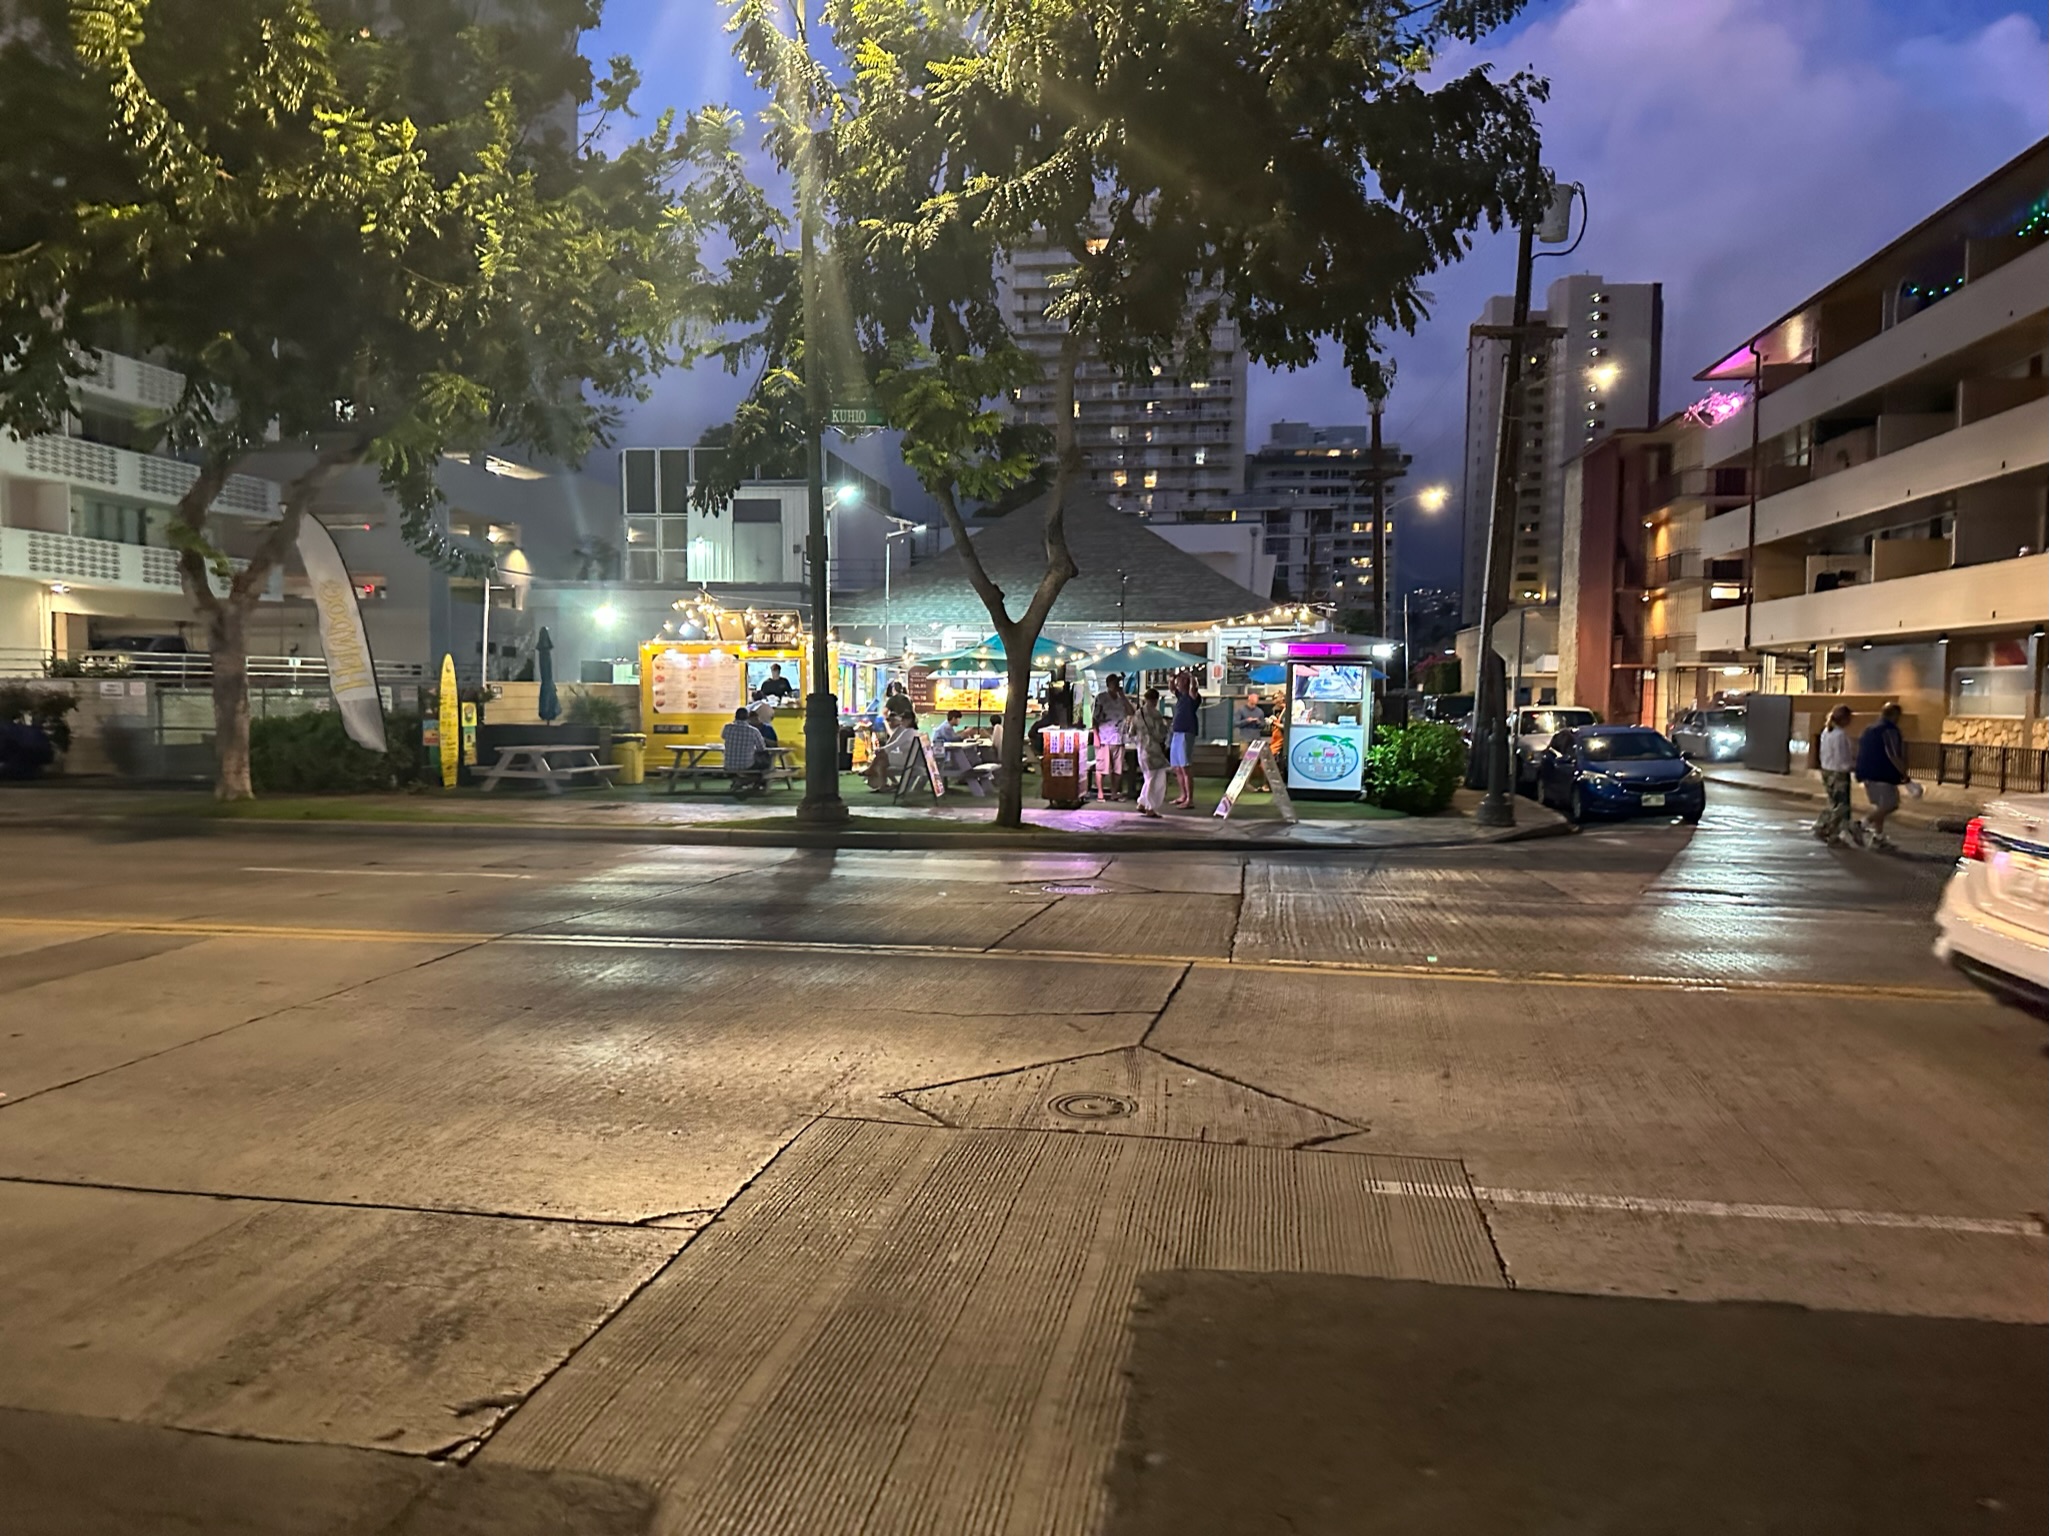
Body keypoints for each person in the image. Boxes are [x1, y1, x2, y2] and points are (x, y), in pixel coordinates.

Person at [1853, 700, 1912, 850]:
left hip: (1867, 773)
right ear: (1895, 715)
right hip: (1882, 774)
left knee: (1880, 807)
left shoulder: (1869, 729)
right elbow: (1893, 754)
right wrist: (1904, 774)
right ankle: (1861, 825)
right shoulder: (1889, 730)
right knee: (1890, 804)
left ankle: (1878, 837)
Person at [1812, 704, 1856, 846]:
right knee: (1842, 806)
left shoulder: (1826, 732)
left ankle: (1830, 829)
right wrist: (1851, 766)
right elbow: (1842, 756)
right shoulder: (1840, 735)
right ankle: (1828, 829)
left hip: (1827, 770)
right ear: (1844, 719)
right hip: (1839, 772)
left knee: (1833, 802)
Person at [1131, 686, 1172, 818]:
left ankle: (1142, 803)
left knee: (1149, 777)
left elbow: (1131, 732)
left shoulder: (1138, 713)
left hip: (1141, 749)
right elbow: (1161, 734)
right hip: (1154, 750)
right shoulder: (1156, 714)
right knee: (1156, 780)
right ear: (1155, 700)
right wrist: (1167, 726)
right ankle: (1150, 807)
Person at [1091, 672, 1131, 801]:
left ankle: (1114, 792)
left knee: (1118, 768)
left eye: (1118, 683)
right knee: (1102, 767)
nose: (1116, 686)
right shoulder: (1101, 698)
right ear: (1108, 684)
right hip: (1104, 737)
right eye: (1114, 683)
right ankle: (1100, 792)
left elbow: (1131, 712)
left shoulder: (1121, 699)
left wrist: (1123, 696)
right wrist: (1096, 736)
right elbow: (1094, 718)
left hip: (1119, 737)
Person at [1168, 671, 1202, 809]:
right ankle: (1183, 795)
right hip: (1176, 732)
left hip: (1186, 732)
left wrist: (1191, 677)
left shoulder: (1193, 696)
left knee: (1185, 766)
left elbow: (1194, 688)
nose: (1178, 683)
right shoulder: (1181, 696)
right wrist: (1172, 677)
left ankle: (1189, 799)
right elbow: (1172, 688)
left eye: (1181, 681)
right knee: (1177, 767)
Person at [721, 706, 768, 797]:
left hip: (728, 765)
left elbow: (723, 736)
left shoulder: (727, 727)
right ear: (747, 717)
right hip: (747, 765)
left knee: (736, 765)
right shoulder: (753, 731)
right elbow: (761, 748)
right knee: (765, 766)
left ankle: (737, 780)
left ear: (735, 716)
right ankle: (743, 782)